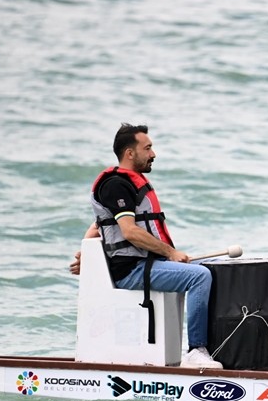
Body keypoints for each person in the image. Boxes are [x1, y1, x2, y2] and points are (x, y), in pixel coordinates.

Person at [75, 123, 222, 368]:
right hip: (131, 270)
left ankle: (218, 347)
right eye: (148, 148)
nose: (153, 154)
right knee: (199, 277)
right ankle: (196, 350)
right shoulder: (115, 185)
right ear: (130, 153)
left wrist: (87, 257)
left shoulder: (131, 184)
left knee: (219, 267)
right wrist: (171, 252)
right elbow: (129, 231)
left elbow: (97, 225)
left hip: (151, 263)